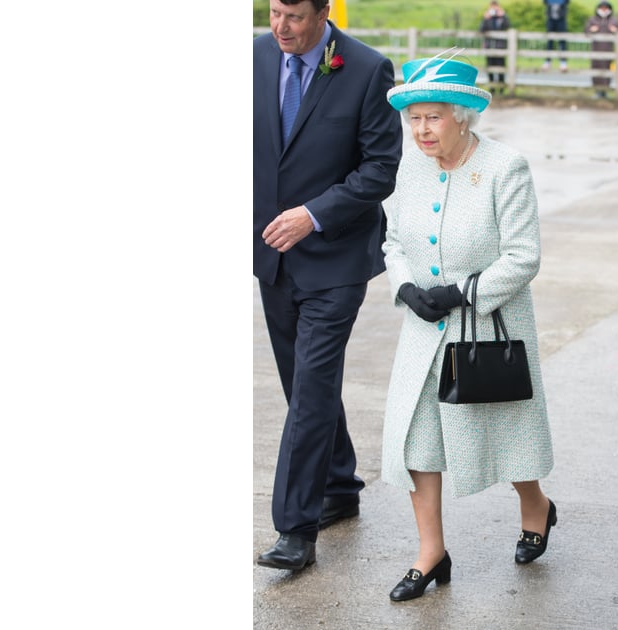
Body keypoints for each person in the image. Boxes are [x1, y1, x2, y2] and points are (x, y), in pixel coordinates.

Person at [379, 55, 556, 602]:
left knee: (503, 437)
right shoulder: (410, 168)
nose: (421, 130)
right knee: (417, 441)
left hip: (487, 327)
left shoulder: (506, 167)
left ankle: (536, 505)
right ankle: (430, 553)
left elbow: (523, 256)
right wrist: (406, 288)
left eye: (432, 118)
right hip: (424, 330)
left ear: (462, 116)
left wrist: (462, 294)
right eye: (414, 119)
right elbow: (392, 242)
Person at [252, 0, 403, 572]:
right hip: (272, 254)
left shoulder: (367, 69)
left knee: (312, 387)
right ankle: (339, 483)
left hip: (337, 257)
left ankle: (296, 527)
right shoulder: (256, 57)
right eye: (272, 13)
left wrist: (312, 214)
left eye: (293, 17)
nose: (280, 28)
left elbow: (380, 169)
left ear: (322, 13)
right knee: (301, 383)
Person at [585, 1, 618, 99]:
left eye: (606, 8)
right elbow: (586, 31)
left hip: (608, 49)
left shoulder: (613, 20)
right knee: (596, 69)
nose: (604, 11)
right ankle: (597, 90)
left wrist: (615, 31)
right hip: (596, 49)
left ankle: (605, 90)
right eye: (602, 8)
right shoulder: (593, 20)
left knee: (608, 69)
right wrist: (591, 30)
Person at [478, 1, 511, 90]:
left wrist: (503, 16)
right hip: (490, 46)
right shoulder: (487, 18)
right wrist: (485, 18)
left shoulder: (502, 18)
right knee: (490, 67)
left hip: (500, 47)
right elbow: (481, 29)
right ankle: (491, 87)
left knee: (501, 67)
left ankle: (501, 87)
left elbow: (508, 26)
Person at [543, 0, 570, 72]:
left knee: (562, 41)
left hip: (561, 20)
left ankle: (563, 63)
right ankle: (548, 61)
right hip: (551, 19)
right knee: (549, 42)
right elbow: (545, 2)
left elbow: (567, 2)